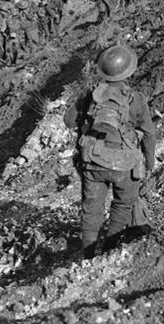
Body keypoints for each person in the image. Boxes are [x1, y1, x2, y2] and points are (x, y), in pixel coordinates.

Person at [64, 45, 156, 259]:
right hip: (124, 164)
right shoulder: (137, 99)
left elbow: (69, 122)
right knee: (123, 204)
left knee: (91, 207)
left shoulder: (92, 96)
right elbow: (149, 134)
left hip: (93, 161)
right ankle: (108, 250)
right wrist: (149, 163)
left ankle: (88, 256)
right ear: (129, 71)